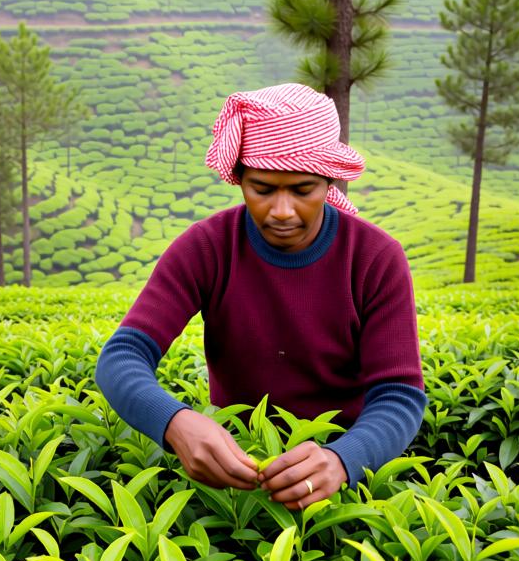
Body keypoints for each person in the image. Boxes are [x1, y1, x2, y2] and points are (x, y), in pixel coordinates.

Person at [94, 82, 425, 509]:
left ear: (329, 181)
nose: (282, 211)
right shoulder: (209, 247)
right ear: (240, 180)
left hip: (343, 481)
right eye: (263, 189)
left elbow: (399, 394)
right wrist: (174, 421)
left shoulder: (375, 258)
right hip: (236, 480)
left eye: (303, 190)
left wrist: (344, 459)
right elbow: (122, 356)